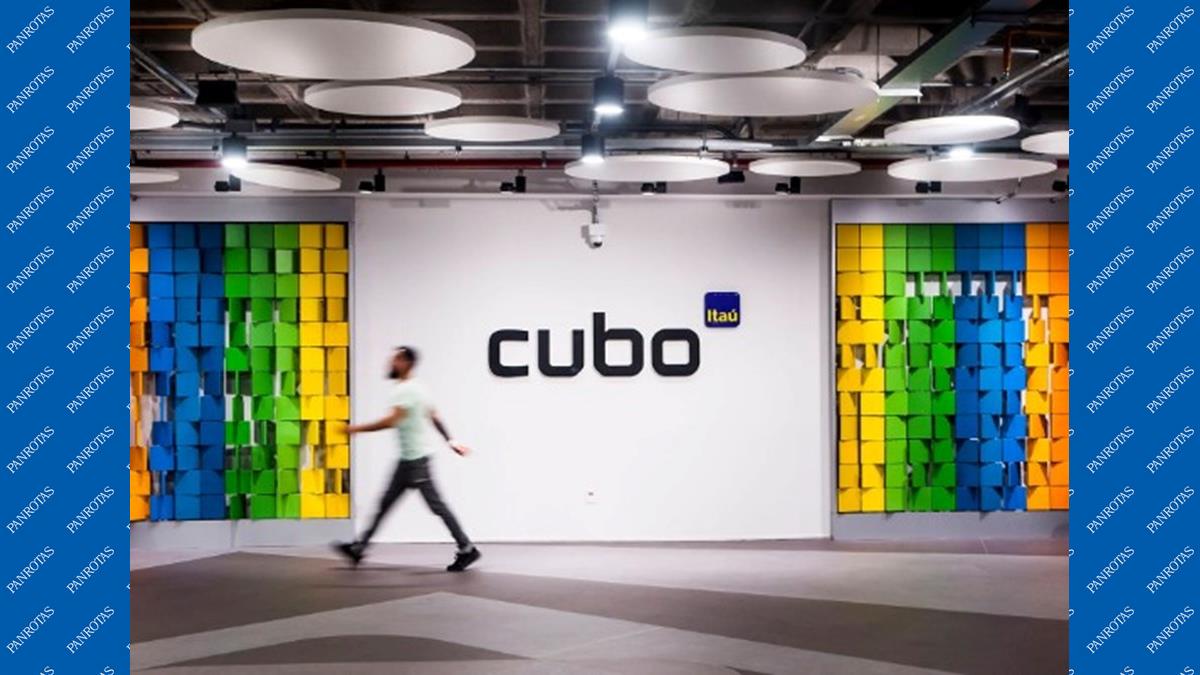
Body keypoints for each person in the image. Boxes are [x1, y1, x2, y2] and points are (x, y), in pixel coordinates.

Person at [333, 346, 481, 572]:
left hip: (416, 462)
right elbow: (434, 416)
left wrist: (355, 429)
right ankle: (359, 548)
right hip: (408, 461)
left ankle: (467, 548)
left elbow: (393, 420)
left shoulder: (405, 391)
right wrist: (450, 441)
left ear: (406, 363)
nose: (391, 363)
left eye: (395, 360)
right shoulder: (419, 388)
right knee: (385, 504)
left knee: (437, 506)